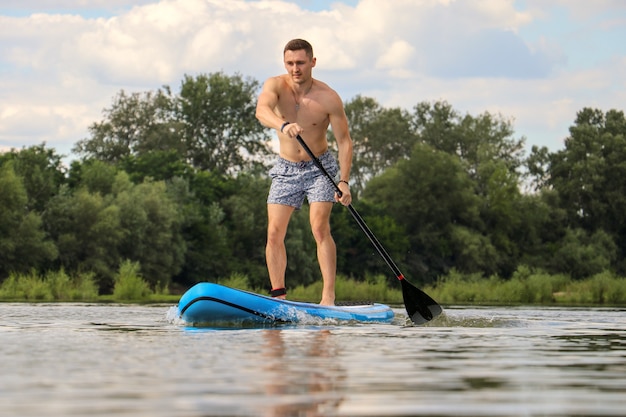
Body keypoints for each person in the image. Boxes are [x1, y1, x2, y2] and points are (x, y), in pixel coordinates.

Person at [255, 38, 353, 306]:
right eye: (289, 63)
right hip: (286, 168)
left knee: (319, 228)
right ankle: (279, 297)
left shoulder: (328, 97)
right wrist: (282, 124)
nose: (295, 69)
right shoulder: (275, 85)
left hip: (320, 167)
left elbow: (344, 141)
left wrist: (344, 181)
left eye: (300, 63)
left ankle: (328, 297)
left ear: (312, 62)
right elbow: (261, 111)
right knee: (274, 232)